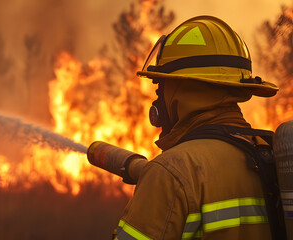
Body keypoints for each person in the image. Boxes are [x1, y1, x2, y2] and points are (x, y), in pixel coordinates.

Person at [114, 16, 283, 239]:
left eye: (161, 85)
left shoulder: (170, 172)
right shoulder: (274, 156)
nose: (158, 96)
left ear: (180, 89)